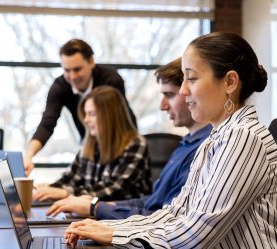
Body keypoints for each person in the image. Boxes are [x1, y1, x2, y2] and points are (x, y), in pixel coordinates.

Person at [63, 32, 277, 249]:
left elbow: (194, 236)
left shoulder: (242, 136)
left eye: (191, 78)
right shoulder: (216, 139)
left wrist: (116, 236)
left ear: (230, 82)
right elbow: (174, 213)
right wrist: (113, 229)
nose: (183, 90)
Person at [45, 58, 212, 219]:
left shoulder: (202, 149)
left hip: (143, 229)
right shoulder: (184, 145)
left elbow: (118, 190)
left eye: (92, 114)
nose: (86, 120)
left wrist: (93, 206)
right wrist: (93, 204)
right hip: (135, 222)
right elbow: (153, 201)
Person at [24, 39, 136, 175]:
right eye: (67, 70)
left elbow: (119, 122)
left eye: (77, 69)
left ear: (91, 62)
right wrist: (29, 155)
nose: (72, 76)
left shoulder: (111, 80)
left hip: (118, 144)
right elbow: (47, 124)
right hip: (88, 144)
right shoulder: (60, 86)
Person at [32, 86, 151, 203]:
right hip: (90, 215)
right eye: (86, 114)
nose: (86, 120)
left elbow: (114, 189)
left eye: (92, 114)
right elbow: (69, 178)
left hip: (123, 218)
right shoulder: (90, 144)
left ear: (110, 116)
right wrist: (48, 189)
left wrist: (65, 194)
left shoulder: (135, 144)